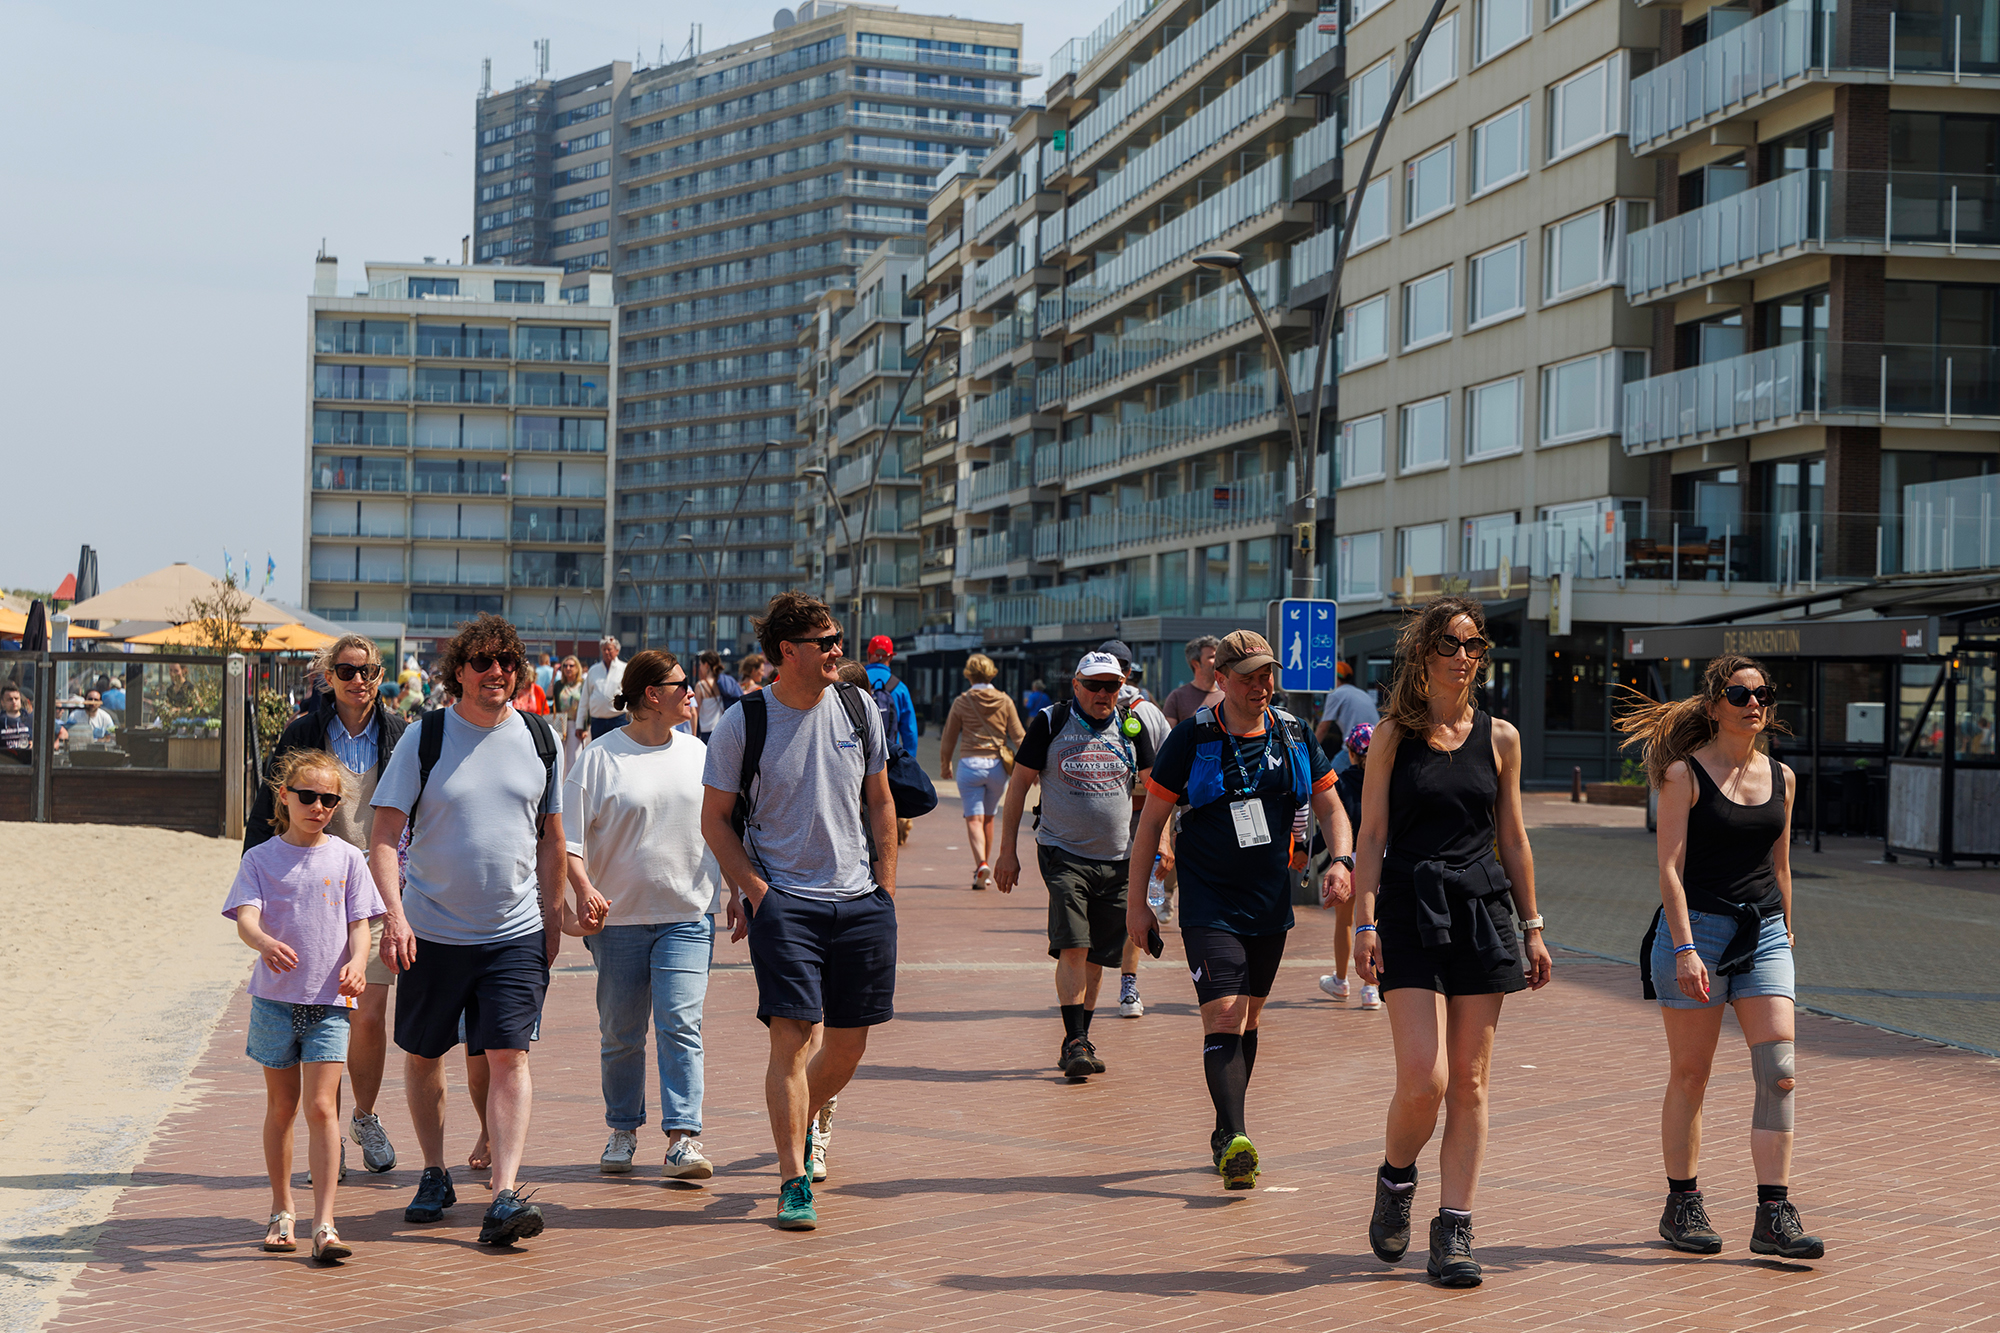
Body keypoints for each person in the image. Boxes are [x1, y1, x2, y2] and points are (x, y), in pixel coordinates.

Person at [368, 614, 602, 1248]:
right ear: (459, 673)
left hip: (515, 933)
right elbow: (383, 835)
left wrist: (554, 919)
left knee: (509, 1057)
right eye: (482, 662)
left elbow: (553, 840)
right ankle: (435, 1172)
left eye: (507, 662)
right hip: (432, 931)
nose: (496, 671)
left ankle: (503, 1195)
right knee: (423, 1056)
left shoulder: (540, 736)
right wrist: (395, 914)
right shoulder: (426, 736)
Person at [1350, 597, 1552, 1288]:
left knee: (1468, 1081)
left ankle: (1455, 1227)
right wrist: (1364, 920)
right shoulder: (1391, 736)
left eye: (1473, 644)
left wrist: (1533, 925)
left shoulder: (1501, 738)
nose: (1463, 656)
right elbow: (1371, 836)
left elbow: (1515, 838)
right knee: (1425, 1078)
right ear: (1424, 654)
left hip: (1480, 910)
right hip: (1408, 908)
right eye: (1449, 643)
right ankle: (1396, 1177)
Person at [699, 592, 897, 1231]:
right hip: (786, 903)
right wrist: (757, 893)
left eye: (839, 638)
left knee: (847, 1047)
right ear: (788, 652)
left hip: (860, 899)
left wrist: (885, 891)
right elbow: (714, 820)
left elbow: (882, 804)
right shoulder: (742, 722)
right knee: (792, 1038)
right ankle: (793, 1178)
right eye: (827, 641)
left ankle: (804, 1115)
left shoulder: (858, 706)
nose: (840, 650)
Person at [1126, 631, 1352, 1190]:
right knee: (1224, 1013)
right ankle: (1234, 1135)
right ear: (1220, 677)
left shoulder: (1294, 733)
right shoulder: (1191, 738)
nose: (1262, 685)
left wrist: (1341, 861)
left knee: (1249, 1018)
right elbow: (1150, 824)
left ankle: (1227, 1133)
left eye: (1267, 674)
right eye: (1249, 676)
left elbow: (1331, 806)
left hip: (1269, 902)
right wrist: (1139, 903)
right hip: (1208, 900)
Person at [1617, 655, 1824, 1261]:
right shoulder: (1683, 774)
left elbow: (1781, 867)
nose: (1753, 703)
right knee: (1691, 1075)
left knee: (1780, 1072)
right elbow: (1669, 872)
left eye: (1762, 694)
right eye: (1738, 694)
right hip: (1698, 934)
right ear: (1714, 707)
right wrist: (1683, 947)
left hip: (1763, 935)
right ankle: (1682, 1203)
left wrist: (1786, 935)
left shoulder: (1782, 776)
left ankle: (1773, 1212)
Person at [246, 634, 410, 1178]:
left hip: (380, 891)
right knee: (325, 1012)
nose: (357, 680)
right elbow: (266, 812)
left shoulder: (400, 734)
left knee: (368, 1016)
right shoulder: (303, 733)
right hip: (314, 894)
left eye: (366, 671)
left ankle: (363, 1117)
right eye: (345, 671)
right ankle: (329, 1138)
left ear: (380, 676)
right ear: (328, 677)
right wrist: (258, 887)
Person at [564, 651, 725, 1181]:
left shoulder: (701, 754)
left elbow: (725, 828)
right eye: (682, 686)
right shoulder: (598, 757)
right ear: (652, 695)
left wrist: (739, 894)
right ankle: (623, 1128)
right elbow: (569, 841)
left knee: (681, 1022)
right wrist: (583, 887)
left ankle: (683, 1138)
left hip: (687, 913)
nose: (692, 693)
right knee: (622, 1032)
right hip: (619, 921)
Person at [224, 747, 383, 1264]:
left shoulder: (347, 858)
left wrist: (358, 963)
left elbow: (361, 923)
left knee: (322, 1108)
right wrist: (263, 942)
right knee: (282, 1108)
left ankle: (327, 1223)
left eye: (329, 799)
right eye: (308, 796)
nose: (318, 807)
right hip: (273, 1002)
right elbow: (246, 917)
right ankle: (281, 1210)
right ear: (284, 797)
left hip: (330, 1004)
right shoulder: (260, 858)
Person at [993, 651, 1161, 1079]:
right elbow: (1018, 789)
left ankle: (1080, 1038)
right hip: (1063, 852)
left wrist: (1164, 840)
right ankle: (1073, 1040)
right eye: (1095, 685)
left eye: (1112, 685)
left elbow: (1158, 791)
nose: (1104, 694)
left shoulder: (1131, 726)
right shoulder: (1050, 723)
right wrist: (1007, 850)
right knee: (1074, 945)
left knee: (1097, 958)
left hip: (1119, 858)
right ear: (1076, 685)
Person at [1094, 640, 1171, 1017]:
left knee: (1133, 901)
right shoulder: (1081, 710)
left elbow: (1167, 782)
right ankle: (1109, 986)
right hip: (1104, 827)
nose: (1103, 690)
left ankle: (1127, 984)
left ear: (1125, 672)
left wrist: (1165, 836)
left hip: (1139, 821)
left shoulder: (1147, 714)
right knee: (1113, 906)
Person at [938, 653, 1024, 892]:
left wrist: (945, 764)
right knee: (989, 817)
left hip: (970, 764)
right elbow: (1019, 736)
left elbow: (949, 736)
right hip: (997, 766)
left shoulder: (962, 701)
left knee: (973, 818)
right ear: (992, 673)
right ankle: (982, 872)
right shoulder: (1004, 700)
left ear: (969, 675)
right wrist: (1032, 769)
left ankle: (982, 864)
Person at [1318, 723, 1380, 1009]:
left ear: (1352, 753)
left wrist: (1309, 855)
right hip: (1380, 859)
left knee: (1344, 922)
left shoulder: (1341, 782)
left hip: (1348, 861)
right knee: (1371, 922)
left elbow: (1330, 823)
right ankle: (1371, 988)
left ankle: (1341, 980)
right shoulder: (1384, 784)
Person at [864, 637, 920, 845]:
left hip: (858, 752)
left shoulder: (856, 679)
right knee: (886, 797)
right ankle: (888, 835)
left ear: (869, 655)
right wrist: (909, 759)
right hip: (889, 754)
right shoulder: (899, 687)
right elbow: (910, 729)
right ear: (890, 657)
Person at [1316, 660, 1381, 773]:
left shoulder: (1336, 694)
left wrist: (1308, 749)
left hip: (1355, 747)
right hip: (1376, 746)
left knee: (1330, 778)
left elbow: (1323, 727)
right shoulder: (1360, 692)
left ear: (1334, 677)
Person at [1161, 637, 1224, 727]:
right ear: (1195, 663)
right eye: (1212, 657)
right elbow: (1168, 735)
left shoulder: (1227, 696)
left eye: (1218, 656)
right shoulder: (1177, 697)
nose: (1218, 661)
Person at [584, 636, 628, 739]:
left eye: (609, 649)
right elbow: (585, 698)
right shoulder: (593, 670)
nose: (607, 652)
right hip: (597, 721)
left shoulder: (624, 668)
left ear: (617, 651)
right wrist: (580, 724)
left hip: (619, 719)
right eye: (604, 649)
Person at [694, 650, 741, 742]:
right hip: (721, 729)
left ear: (706, 665)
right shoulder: (722, 683)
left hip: (706, 730)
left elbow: (696, 712)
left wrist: (694, 734)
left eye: (701, 665)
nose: (700, 668)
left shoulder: (701, 685)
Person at [2, 682, 34, 764]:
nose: (14, 702)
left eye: (16, 699)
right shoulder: (1, 721)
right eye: (10, 699)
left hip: (28, 765)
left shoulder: (31, 719)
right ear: (2, 702)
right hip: (5, 763)